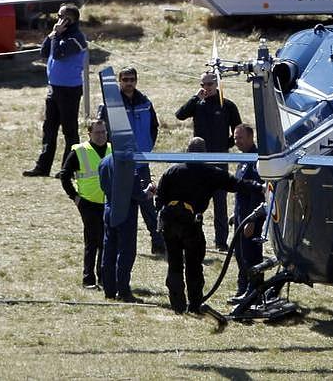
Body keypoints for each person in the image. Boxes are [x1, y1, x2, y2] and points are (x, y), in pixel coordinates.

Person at [153, 136, 261, 315]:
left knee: (174, 264)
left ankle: (178, 305)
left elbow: (160, 198)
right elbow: (236, 184)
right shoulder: (210, 172)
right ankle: (194, 305)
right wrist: (260, 187)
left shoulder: (172, 171)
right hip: (191, 224)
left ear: (187, 151)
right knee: (194, 265)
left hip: (170, 224)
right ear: (204, 153)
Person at [175, 70, 241, 250]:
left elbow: (237, 130)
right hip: (199, 160)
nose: (206, 88)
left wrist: (224, 146)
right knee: (197, 201)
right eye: (202, 85)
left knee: (220, 201)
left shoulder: (227, 106)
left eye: (209, 84)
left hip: (219, 160)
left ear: (217, 84)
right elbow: (180, 115)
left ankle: (221, 242)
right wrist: (194, 98)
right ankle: (195, 236)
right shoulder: (197, 104)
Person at [24, 3, 88, 177]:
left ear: (71, 20)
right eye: (58, 16)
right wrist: (52, 35)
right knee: (49, 129)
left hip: (70, 90)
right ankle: (42, 167)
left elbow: (59, 54)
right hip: (54, 88)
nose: (58, 20)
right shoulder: (58, 35)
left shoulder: (76, 39)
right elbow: (44, 52)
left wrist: (57, 36)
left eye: (62, 17)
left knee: (69, 131)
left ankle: (68, 168)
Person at [116, 67, 165, 257]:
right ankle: (120, 244)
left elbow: (154, 127)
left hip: (142, 163)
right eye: (125, 79)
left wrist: (147, 147)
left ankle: (158, 242)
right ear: (119, 81)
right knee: (121, 205)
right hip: (120, 163)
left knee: (147, 205)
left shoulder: (145, 102)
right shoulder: (112, 104)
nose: (129, 83)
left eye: (132, 79)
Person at [58, 118, 110, 289]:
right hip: (88, 203)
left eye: (103, 132)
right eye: (97, 132)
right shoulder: (80, 151)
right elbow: (64, 175)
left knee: (106, 240)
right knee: (93, 240)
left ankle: (104, 276)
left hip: (108, 202)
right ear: (89, 133)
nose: (101, 136)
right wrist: (75, 197)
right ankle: (88, 279)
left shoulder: (112, 149)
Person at [97, 146, 146, 301]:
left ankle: (109, 290)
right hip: (126, 213)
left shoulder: (104, 162)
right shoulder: (128, 163)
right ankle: (123, 290)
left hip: (109, 209)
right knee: (126, 252)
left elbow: (103, 185)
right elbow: (136, 193)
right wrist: (148, 193)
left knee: (109, 250)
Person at [230, 123, 265, 304]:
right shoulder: (244, 159)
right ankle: (243, 288)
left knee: (251, 254)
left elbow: (258, 192)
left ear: (251, 137)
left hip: (251, 217)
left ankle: (254, 291)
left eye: (240, 138)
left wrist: (252, 220)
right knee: (240, 253)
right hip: (240, 214)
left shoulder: (256, 160)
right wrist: (234, 214)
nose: (237, 141)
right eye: (235, 138)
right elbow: (240, 188)